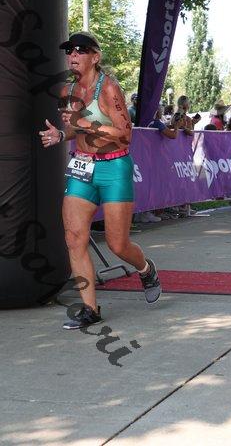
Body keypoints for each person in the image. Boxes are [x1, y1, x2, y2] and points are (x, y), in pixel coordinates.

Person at [39, 31, 161, 330]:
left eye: (80, 50)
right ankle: (90, 309)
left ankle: (145, 268)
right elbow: (75, 129)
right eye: (69, 51)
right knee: (74, 238)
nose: (73, 55)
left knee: (118, 244)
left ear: (95, 57)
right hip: (82, 167)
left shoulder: (108, 88)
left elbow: (125, 134)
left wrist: (85, 123)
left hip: (114, 166)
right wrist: (61, 134)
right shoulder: (67, 89)